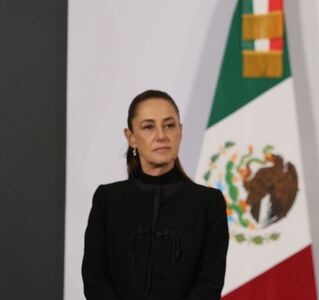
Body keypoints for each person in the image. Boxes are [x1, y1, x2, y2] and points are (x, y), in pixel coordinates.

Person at [82, 90, 229, 299]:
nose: (161, 136)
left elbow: (209, 283)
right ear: (131, 137)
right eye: (149, 127)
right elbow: (94, 278)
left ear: (181, 132)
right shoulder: (107, 200)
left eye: (169, 125)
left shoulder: (208, 203)